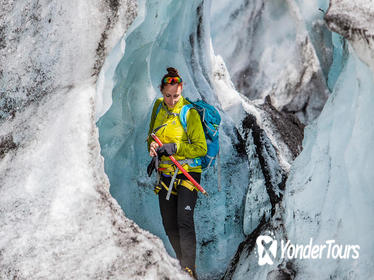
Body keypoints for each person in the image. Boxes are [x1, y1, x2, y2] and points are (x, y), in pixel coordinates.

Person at [147, 67, 207, 278]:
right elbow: (151, 137)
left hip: (188, 172)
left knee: (184, 219)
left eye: (176, 96)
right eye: (168, 96)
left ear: (182, 92)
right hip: (164, 174)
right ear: (161, 92)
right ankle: (182, 265)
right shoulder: (157, 108)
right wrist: (153, 150)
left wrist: (176, 148)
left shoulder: (189, 113)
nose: (172, 100)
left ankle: (190, 269)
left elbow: (201, 148)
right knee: (169, 223)